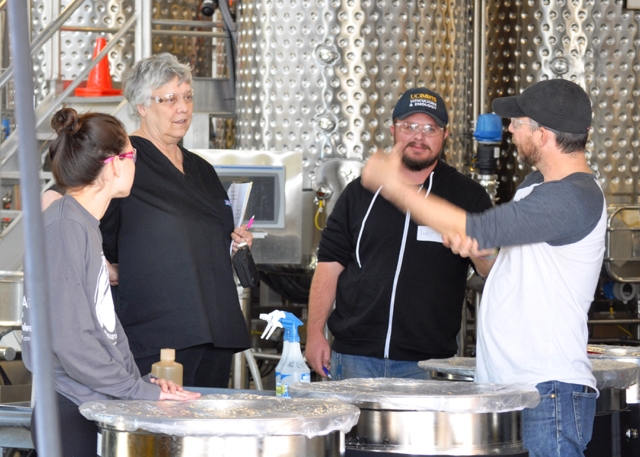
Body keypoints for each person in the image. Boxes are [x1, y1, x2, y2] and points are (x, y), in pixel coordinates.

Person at [361, 79, 604, 457]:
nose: (509, 129)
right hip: (516, 387)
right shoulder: (537, 185)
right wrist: (477, 244)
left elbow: (476, 228)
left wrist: (392, 185)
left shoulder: (572, 197)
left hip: (548, 391)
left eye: (517, 122)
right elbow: (498, 247)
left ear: (541, 135)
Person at [22, 108, 201, 456]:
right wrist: (136, 391)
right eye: (133, 153)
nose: (136, 163)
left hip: (90, 404)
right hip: (70, 412)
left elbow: (101, 325)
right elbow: (72, 340)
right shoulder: (65, 226)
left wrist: (137, 383)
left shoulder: (82, 224)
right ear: (115, 163)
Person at [305, 87, 494, 380]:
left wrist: (477, 249)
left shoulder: (468, 197)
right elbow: (330, 264)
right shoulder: (359, 192)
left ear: (445, 135)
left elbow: (491, 270)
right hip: (354, 357)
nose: (419, 136)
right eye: (410, 126)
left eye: (430, 128)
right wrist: (315, 332)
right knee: (354, 429)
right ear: (394, 130)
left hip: (427, 364)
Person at [100, 53, 251, 388]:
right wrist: (105, 267)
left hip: (215, 331)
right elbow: (79, 219)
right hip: (158, 336)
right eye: (169, 99)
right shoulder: (125, 163)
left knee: (206, 432)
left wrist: (235, 242)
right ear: (141, 106)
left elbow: (209, 232)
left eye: (187, 97)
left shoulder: (201, 169)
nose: (182, 109)